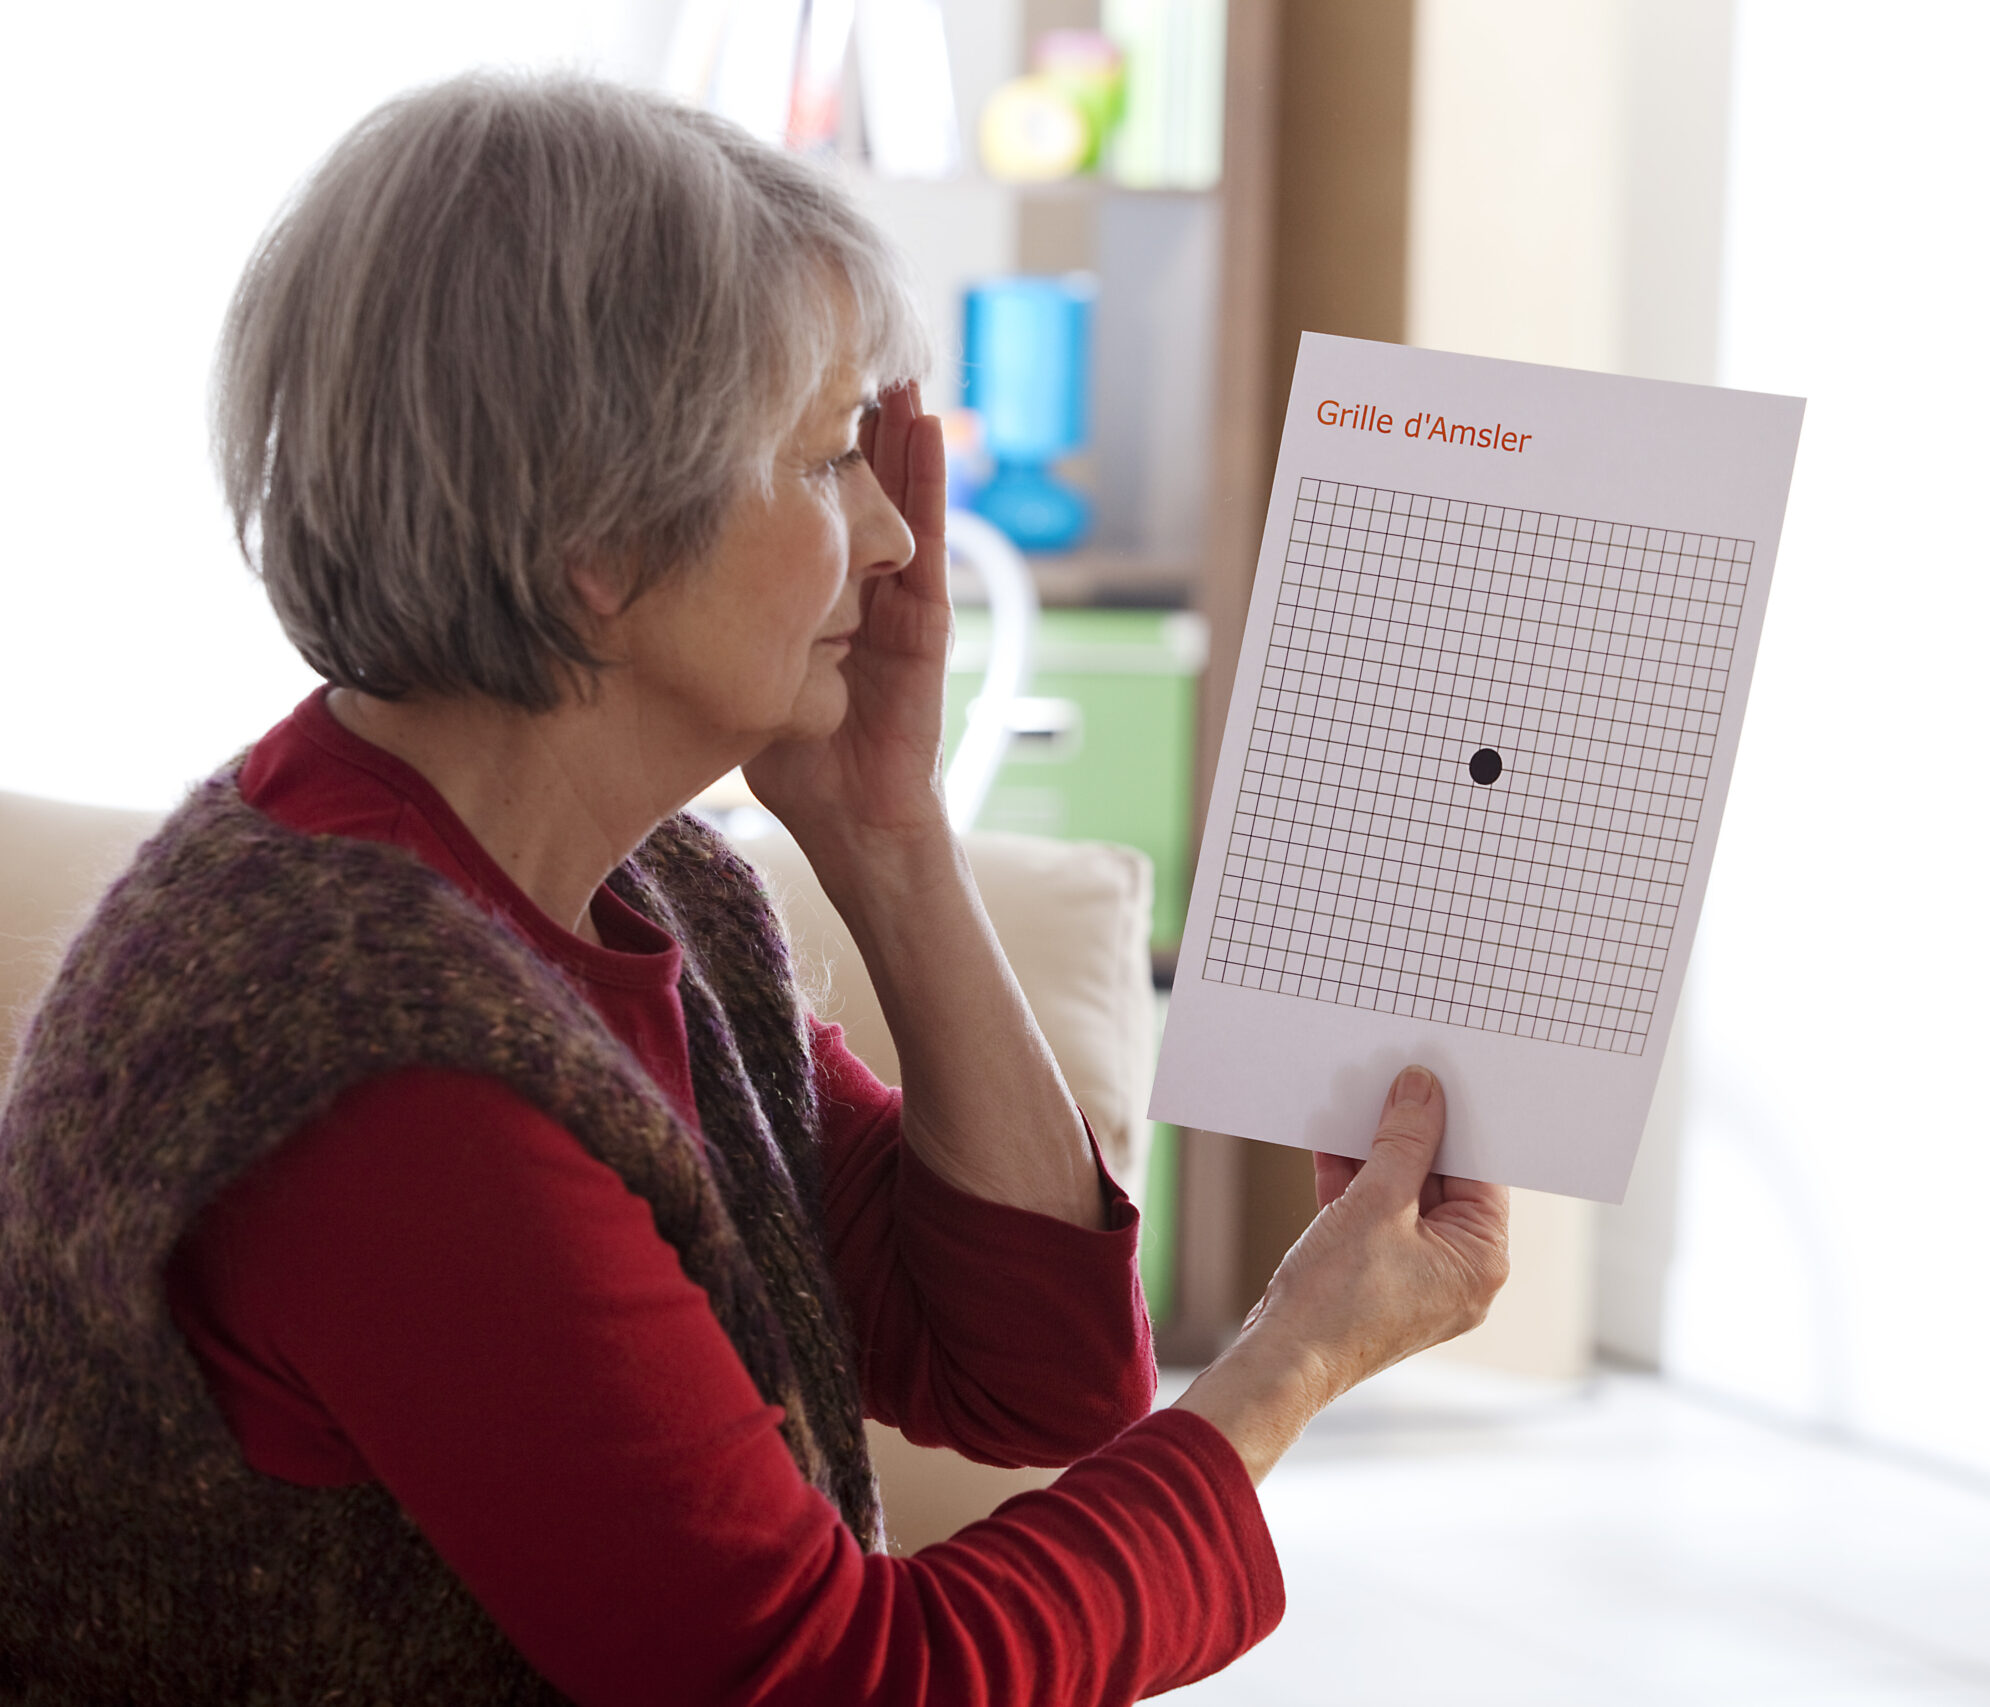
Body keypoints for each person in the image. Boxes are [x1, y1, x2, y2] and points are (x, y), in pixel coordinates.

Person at [0, 73, 1507, 1704]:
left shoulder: (639, 897)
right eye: (817, 464)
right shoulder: (368, 1058)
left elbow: (1042, 1372)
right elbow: (832, 1687)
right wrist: (1295, 1362)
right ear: (596, 538)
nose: (891, 540)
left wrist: (887, 831)